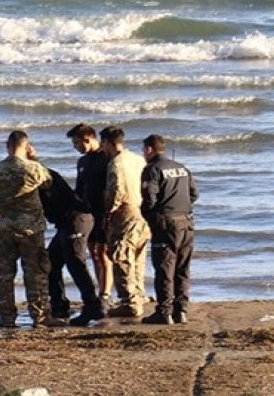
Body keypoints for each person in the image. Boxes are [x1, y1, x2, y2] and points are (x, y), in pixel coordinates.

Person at [0, 131, 62, 328]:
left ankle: (7, 318)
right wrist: (33, 157)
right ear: (27, 146)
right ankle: (40, 317)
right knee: (35, 273)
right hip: (32, 229)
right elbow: (50, 183)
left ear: (7, 146)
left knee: (4, 275)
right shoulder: (35, 168)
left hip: (5, 228)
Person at [27, 144, 98, 321]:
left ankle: (92, 306)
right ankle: (59, 306)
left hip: (76, 219)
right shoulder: (34, 171)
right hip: (65, 222)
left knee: (75, 263)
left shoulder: (38, 172)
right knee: (51, 262)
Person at [139, 134, 199, 325]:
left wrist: (151, 218)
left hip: (166, 223)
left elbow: (149, 200)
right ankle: (181, 310)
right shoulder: (181, 167)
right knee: (182, 267)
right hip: (187, 222)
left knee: (165, 268)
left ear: (149, 149)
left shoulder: (152, 169)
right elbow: (194, 194)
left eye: (144, 151)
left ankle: (164, 311)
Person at [98, 125, 151, 319]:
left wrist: (107, 212)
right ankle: (138, 296)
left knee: (121, 257)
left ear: (107, 143)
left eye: (103, 144)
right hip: (142, 213)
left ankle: (130, 302)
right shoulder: (138, 160)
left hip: (125, 214)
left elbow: (116, 192)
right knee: (138, 257)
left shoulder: (116, 164)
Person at [66, 123, 113, 326]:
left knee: (103, 253)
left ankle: (105, 295)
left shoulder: (106, 158)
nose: (75, 147)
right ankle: (99, 293)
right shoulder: (82, 161)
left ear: (87, 138)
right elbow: (79, 189)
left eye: (77, 142)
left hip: (104, 213)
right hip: (87, 214)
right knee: (93, 252)